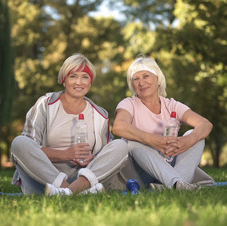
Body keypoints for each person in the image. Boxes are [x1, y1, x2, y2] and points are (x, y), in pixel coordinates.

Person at [11, 53, 128, 196]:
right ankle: (72, 191)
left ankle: (67, 192)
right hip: (45, 180)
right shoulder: (45, 104)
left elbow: (105, 157)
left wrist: (93, 157)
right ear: (64, 80)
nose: (79, 82)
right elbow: (31, 147)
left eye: (85, 77)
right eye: (73, 76)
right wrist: (66, 154)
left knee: (120, 146)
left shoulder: (100, 115)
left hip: (82, 178)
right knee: (19, 143)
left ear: (90, 82)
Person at [112, 56, 215, 191]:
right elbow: (118, 126)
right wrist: (152, 140)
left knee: (195, 136)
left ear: (158, 80)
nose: (141, 82)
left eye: (146, 76)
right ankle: (176, 183)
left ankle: (174, 185)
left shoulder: (172, 105)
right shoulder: (128, 104)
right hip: (138, 171)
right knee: (134, 143)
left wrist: (188, 140)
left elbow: (205, 124)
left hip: (168, 165)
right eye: (136, 79)